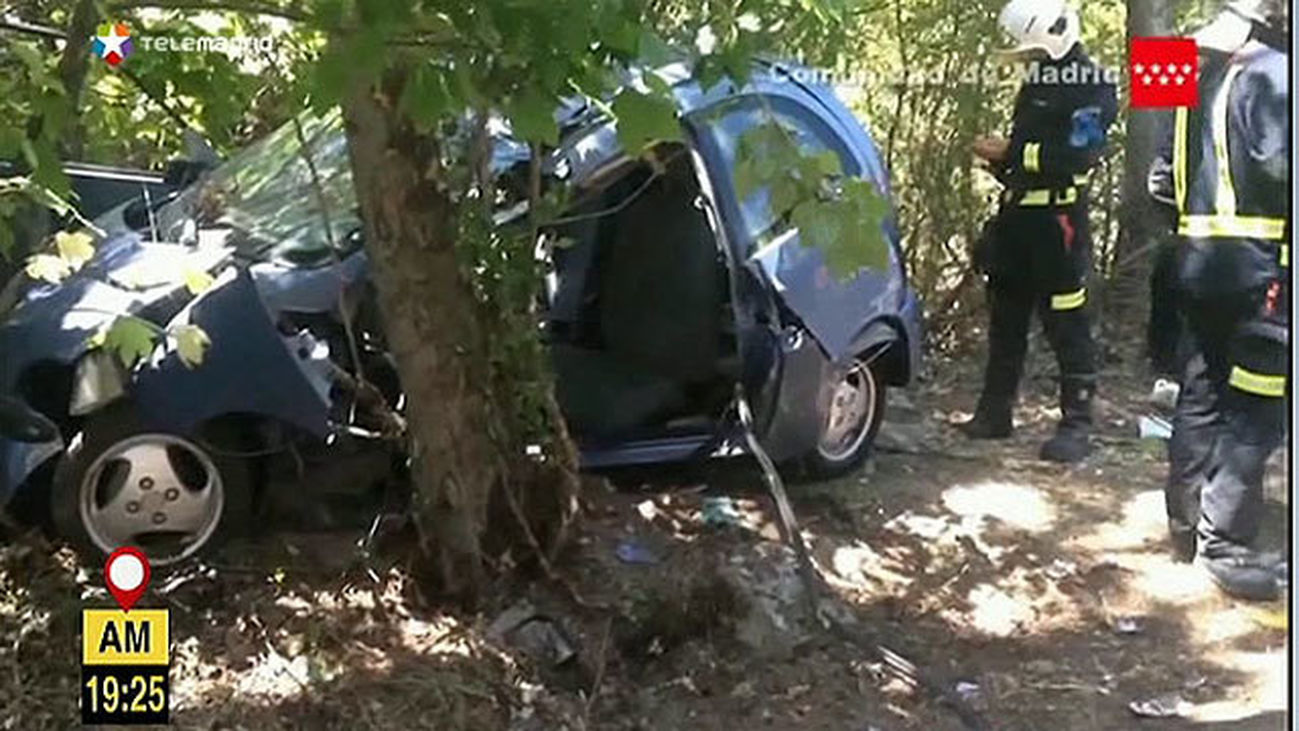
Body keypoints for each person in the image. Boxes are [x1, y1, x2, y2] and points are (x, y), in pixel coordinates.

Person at [1159, 0, 1289, 601]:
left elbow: (1159, 181)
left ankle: (1185, 529)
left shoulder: (1190, 73)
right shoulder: (1275, 73)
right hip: (1261, 270)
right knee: (1256, 408)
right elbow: (1281, 170)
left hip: (1194, 263)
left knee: (1201, 392)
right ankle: (1226, 544)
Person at [961, 0, 1117, 464]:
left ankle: (1077, 425)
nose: (1025, 55)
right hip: (1018, 221)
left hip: (1058, 225)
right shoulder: (1041, 79)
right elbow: (1032, 154)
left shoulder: (1093, 85)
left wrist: (1013, 152)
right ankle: (994, 414)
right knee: (1006, 317)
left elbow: (1079, 155)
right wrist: (1002, 163)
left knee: (1068, 325)